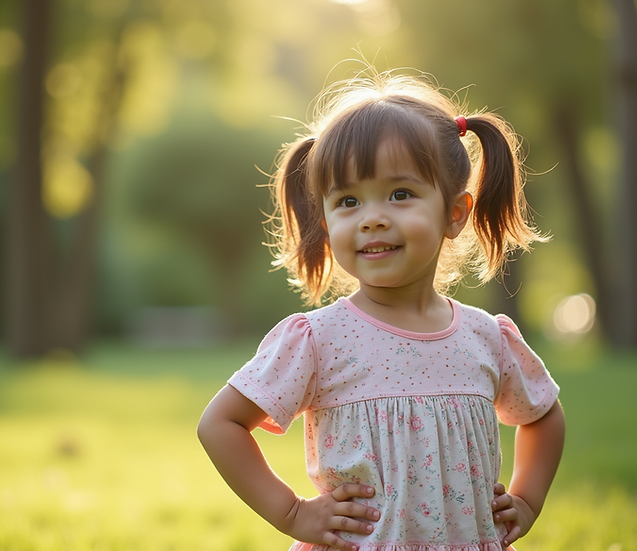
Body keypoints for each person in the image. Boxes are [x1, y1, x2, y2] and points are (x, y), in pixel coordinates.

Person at [197, 69, 566, 551]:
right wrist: (291, 513)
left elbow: (543, 413)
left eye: (400, 194)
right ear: (327, 224)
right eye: (348, 201)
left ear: (454, 213)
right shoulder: (318, 338)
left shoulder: (486, 337)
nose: (372, 217)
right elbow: (220, 424)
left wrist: (528, 500)